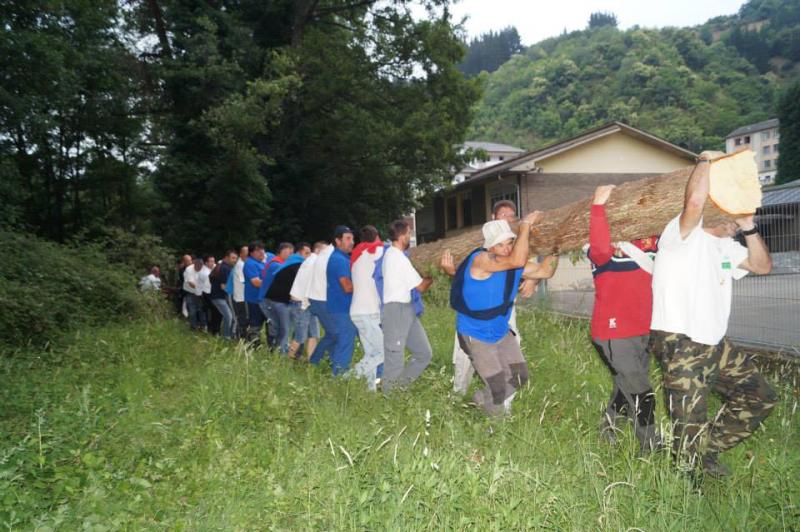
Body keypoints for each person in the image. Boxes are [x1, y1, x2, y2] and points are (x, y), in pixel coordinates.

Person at [649, 151, 778, 478]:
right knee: (688, 424)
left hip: (716, 343)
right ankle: (684, 495)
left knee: (761, 396)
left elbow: (762, 266)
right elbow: (693, 203)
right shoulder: (680, 237)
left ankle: (707, 450)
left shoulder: (728, 249)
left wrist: (749, 227)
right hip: (681, 341)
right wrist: (705, 160)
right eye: (731, 217)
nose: (732, 223)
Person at [441, 200, 556, 395]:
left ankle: (480, 401)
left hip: (500, 331)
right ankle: (491, 420)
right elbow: (518, 259)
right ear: (489, 247)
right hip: (475, 335)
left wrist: (556, 246)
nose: (506, 248)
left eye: (510, 243)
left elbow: (546, 271)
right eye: (500, 245)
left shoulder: (513, 265)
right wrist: (525, 225)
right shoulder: (481, 260)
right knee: (498, 387)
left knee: (519, 377)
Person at [588, 184, 662, 453]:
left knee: (626, 385)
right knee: (642, 391)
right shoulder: (604, 248)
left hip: (644, 329)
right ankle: (651, 447)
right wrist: (598, 208)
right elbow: (598, 250)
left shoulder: (652, 242)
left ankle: (607, 429)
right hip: (613, 332)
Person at [381, 220, 434, 393]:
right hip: (396, 311)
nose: (410, 237)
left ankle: (399, 389)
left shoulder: (394, 255)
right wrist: (432, 274)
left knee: (423, 354)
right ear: (403, 235)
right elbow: (421, 287)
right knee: (394, 360)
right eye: (409, 234)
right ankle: (390, 402)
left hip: (407, 309)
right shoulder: (396, 257)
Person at [349, 225, 386, 391]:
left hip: (357, 310)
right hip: (368, 312)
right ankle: (349, 377)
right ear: (377, 236)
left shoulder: (357, 255)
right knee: (384, 351)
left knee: (371, 353)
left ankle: (370, 391)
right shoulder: (378, 252)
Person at [324, 226, 358, 375]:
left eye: (353, 238)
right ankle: (338, 377)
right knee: (345, 344)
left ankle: (338, 373)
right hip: (342, 309)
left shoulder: (343, 258)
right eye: (348, 239)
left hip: (340, 308)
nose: (352, 242)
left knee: (342, 343)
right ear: (338, 241)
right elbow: (347, 287)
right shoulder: (339, 260)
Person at [264, 246, 305, 353]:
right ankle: (281, 354)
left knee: (280, 328)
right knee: (286, 330)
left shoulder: (286, 266)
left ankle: (275, 350)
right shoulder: (298, 267)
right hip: (281, 302)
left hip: (271, 300)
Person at [288, 241, 325, 360]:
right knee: (300, 335)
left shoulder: (313, 261)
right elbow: (311, 285)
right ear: (318, 250)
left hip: (308, 303)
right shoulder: (313, 263)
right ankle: (287, 360)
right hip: (301, 303)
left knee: (314, 334)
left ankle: (311, 360)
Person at [260, 243, 295, 350]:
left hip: (270, 299)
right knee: (278, 326)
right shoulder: (276, 264)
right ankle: (277, 349)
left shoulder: (277, 262)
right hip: (268, 300)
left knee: (277, 326)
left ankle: (276, 349)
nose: (291, 255)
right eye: (290, 252)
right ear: (283, 251)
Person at [307, 240, 336, 366]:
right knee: (333, 333)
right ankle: (314, 361)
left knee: (333, 333)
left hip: (320, 299)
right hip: (319, 299)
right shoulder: (319, 259)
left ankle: (330, 360)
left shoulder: (320, 258)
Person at [243, 241, 268, 344]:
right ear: (251, 253)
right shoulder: (250, 263)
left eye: (262, 249)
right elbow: (256, 282)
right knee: (255, 325)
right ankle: (253, 347)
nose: (261, 252)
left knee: (267, 323)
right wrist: (273, 283)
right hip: (254, 300)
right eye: (258, 250)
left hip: (263, 299)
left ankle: (268, 345)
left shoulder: (262, 263)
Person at [210, 250, 237, 339]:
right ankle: (226, 336)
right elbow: (223, 286)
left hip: (217, 296)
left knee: (228, 316)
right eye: (233, 258)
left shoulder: (222, 266)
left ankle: (227, 335)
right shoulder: (225, 268)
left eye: (236, 258)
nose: (234, 260)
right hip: (219, 296)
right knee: (229, 316)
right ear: (226, 257)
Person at [230, 245, 249, 339]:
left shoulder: (242, 264)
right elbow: (244, 280)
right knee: (242, 318)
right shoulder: (241, 265)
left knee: (243, 318)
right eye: (246, 254)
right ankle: (241, 338)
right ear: (241, 254)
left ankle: (242, 337)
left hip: (241, 296)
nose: (248, 256)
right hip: (240, 297)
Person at [182, 257, 206, 331]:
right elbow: (190, 283)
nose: (199, 267)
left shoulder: (204, 269)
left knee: (201, 310)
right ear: (194, 264)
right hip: (190, 292)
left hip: (200, 293)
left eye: (201, 266)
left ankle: (203, 326)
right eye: (198, 265)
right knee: (192, 311)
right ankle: (193, 327)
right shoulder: (189, 269)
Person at [200, 255, 219, 335]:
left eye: (213, 261)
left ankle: (212, 327)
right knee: (212, 310)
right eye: (210, 261)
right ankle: (211, 328)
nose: (213, 263)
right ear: (206, 263)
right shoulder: (204, 273)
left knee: (213, 311)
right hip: (207, 293)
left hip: (211, 292)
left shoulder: (213, 267)